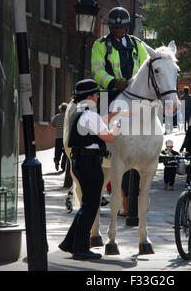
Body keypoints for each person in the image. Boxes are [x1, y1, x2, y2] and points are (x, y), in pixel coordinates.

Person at [58, 79, 132, 260]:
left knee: (86, 205)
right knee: (91, 206)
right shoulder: (91, 115)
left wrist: (116, 114)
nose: (99, 96)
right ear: (90, 95)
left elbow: (97, 123)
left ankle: (70, 243)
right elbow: (109, 136)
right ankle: (81, 249)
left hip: (79, 161)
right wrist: (119, 124)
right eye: (97, 94)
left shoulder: (78, 112)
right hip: (90, 163)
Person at [91, 7, 149, 216]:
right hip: (111, 91)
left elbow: (145, 66)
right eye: (115, 28)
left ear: (127, 27)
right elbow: (97, 71)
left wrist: (134, 85)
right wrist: (114, 82)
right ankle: (99, 149)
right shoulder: (100, 45)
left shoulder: (136, 44)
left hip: (134, 91)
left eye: (121, 27)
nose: (118, 31)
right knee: (99, 116)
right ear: (110, 27)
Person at [51, 102, 68, 173]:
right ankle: (63, 166)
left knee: (58, 151)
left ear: (60, 109)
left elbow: (52, 124)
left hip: (58, 137)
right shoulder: (68, 117)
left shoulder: (57, 116)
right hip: (66, 137)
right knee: (65, 152)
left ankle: (57, 160)